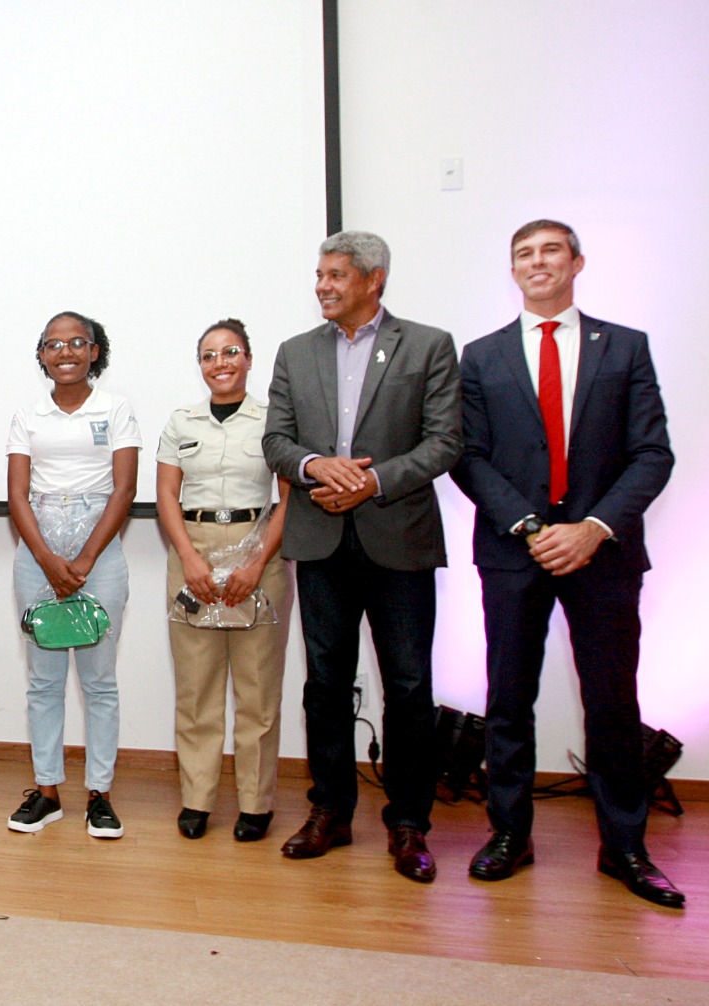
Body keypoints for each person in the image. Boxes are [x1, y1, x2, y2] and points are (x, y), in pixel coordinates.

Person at [452, 221, 681, 907]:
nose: (537, 261)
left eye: (550, 250)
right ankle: (509, 835)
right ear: (513, 271)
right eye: (524, 253)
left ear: (577, 262)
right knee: (507, 700)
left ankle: (625, 848)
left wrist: (592, 528)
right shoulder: (482, 356)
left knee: (612, 703)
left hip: (603, 555)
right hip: (514, 553)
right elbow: (469, 456)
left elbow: (653, 454)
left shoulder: (626, 348)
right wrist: (531, 527)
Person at [262, 231, 462, 882]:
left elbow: (444, 443)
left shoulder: (428, 346)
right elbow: (277, 441)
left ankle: (409, 824)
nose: (322, 285)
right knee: (325, 685)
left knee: (407, 687)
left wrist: (370, 481)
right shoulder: (296, 353)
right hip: (320, 539)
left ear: (374, 280)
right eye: (319, 274)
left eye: (336, 275)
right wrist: (319, 466)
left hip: (397, 537)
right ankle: (330, 813)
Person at [155, 320, 293, 842]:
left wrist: (257, 562)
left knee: (258, 691)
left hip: (259, 554)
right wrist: (188, 557)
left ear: (249, 359)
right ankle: (197, 800)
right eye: (210, 355)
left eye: (231, 352)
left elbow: (289, 496)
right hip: (192, 552)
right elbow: (167, 494)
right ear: (201, 365)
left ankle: (256, 804)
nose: (221, 363)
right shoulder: (181, 421)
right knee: (197, 688)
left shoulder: (274, 420)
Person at [4, 311, 139, 839]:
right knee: (43, 681)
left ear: (94, 352)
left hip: (98, 550)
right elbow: (17, 494)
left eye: (76, 343)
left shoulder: (116, 408)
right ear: (41, 354)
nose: (65, 352)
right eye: (53, 344)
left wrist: (82, 562)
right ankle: (48, 791)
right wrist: (47, 559)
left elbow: (124, 490)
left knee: (99, 681)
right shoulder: (29, 413)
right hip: (37, 546)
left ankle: (99, 795)